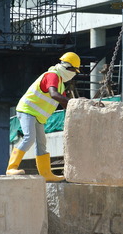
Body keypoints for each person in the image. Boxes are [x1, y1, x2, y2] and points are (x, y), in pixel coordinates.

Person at [6, 52, 81, 182]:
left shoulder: (61, 83)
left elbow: (63, 101)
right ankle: (11, 168)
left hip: (37, 116)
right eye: (74, 71)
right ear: (68, 68)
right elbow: (54, 95)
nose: (74, 74)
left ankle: (46, 174)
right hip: (27, 110)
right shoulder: (53, 75)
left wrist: (78, 106)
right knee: (29, 138)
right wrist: (74, 103)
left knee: (42, 144)